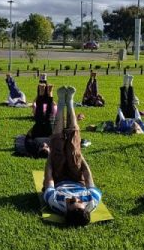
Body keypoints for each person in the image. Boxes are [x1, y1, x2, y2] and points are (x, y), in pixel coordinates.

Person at [43, 85, 102, 226]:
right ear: (85, 207)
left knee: (58, 147)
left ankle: (61, 103)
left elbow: (49, 179)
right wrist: (80, 156)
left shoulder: (55, 203)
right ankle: (69, 102)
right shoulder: (93, 200)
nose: (75, 198)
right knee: (73, 149)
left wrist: (50, 156)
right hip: (77, 179)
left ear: (66, 210)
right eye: (79, 201)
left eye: (70, 202)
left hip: (59, 178)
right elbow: (87, 175)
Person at [24, 83, 55, 158]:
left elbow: (28, 137)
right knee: (49, 118)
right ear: (50, 150)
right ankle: (50, 94)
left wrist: (33, 129)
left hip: (37, 134)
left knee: (39, 118)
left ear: (38, 150)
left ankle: (41, 93)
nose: (44, 144)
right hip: (49, 134)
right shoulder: (54, 148)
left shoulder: (32, 148)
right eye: (47, 147)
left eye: (42, 146)